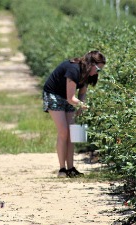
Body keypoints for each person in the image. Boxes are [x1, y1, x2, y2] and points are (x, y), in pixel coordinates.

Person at [42, 50, 106, 178]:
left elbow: (82, 93)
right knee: (64, 131)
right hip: (53, 95)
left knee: (73, 132)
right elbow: (71, 98)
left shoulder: (89, 73)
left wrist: (82, 106)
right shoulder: (73, 69)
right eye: (98, 69)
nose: (98, 72)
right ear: (91, 64)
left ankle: (71, 168)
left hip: (67, 97)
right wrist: (86, 106)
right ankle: (62, 169)